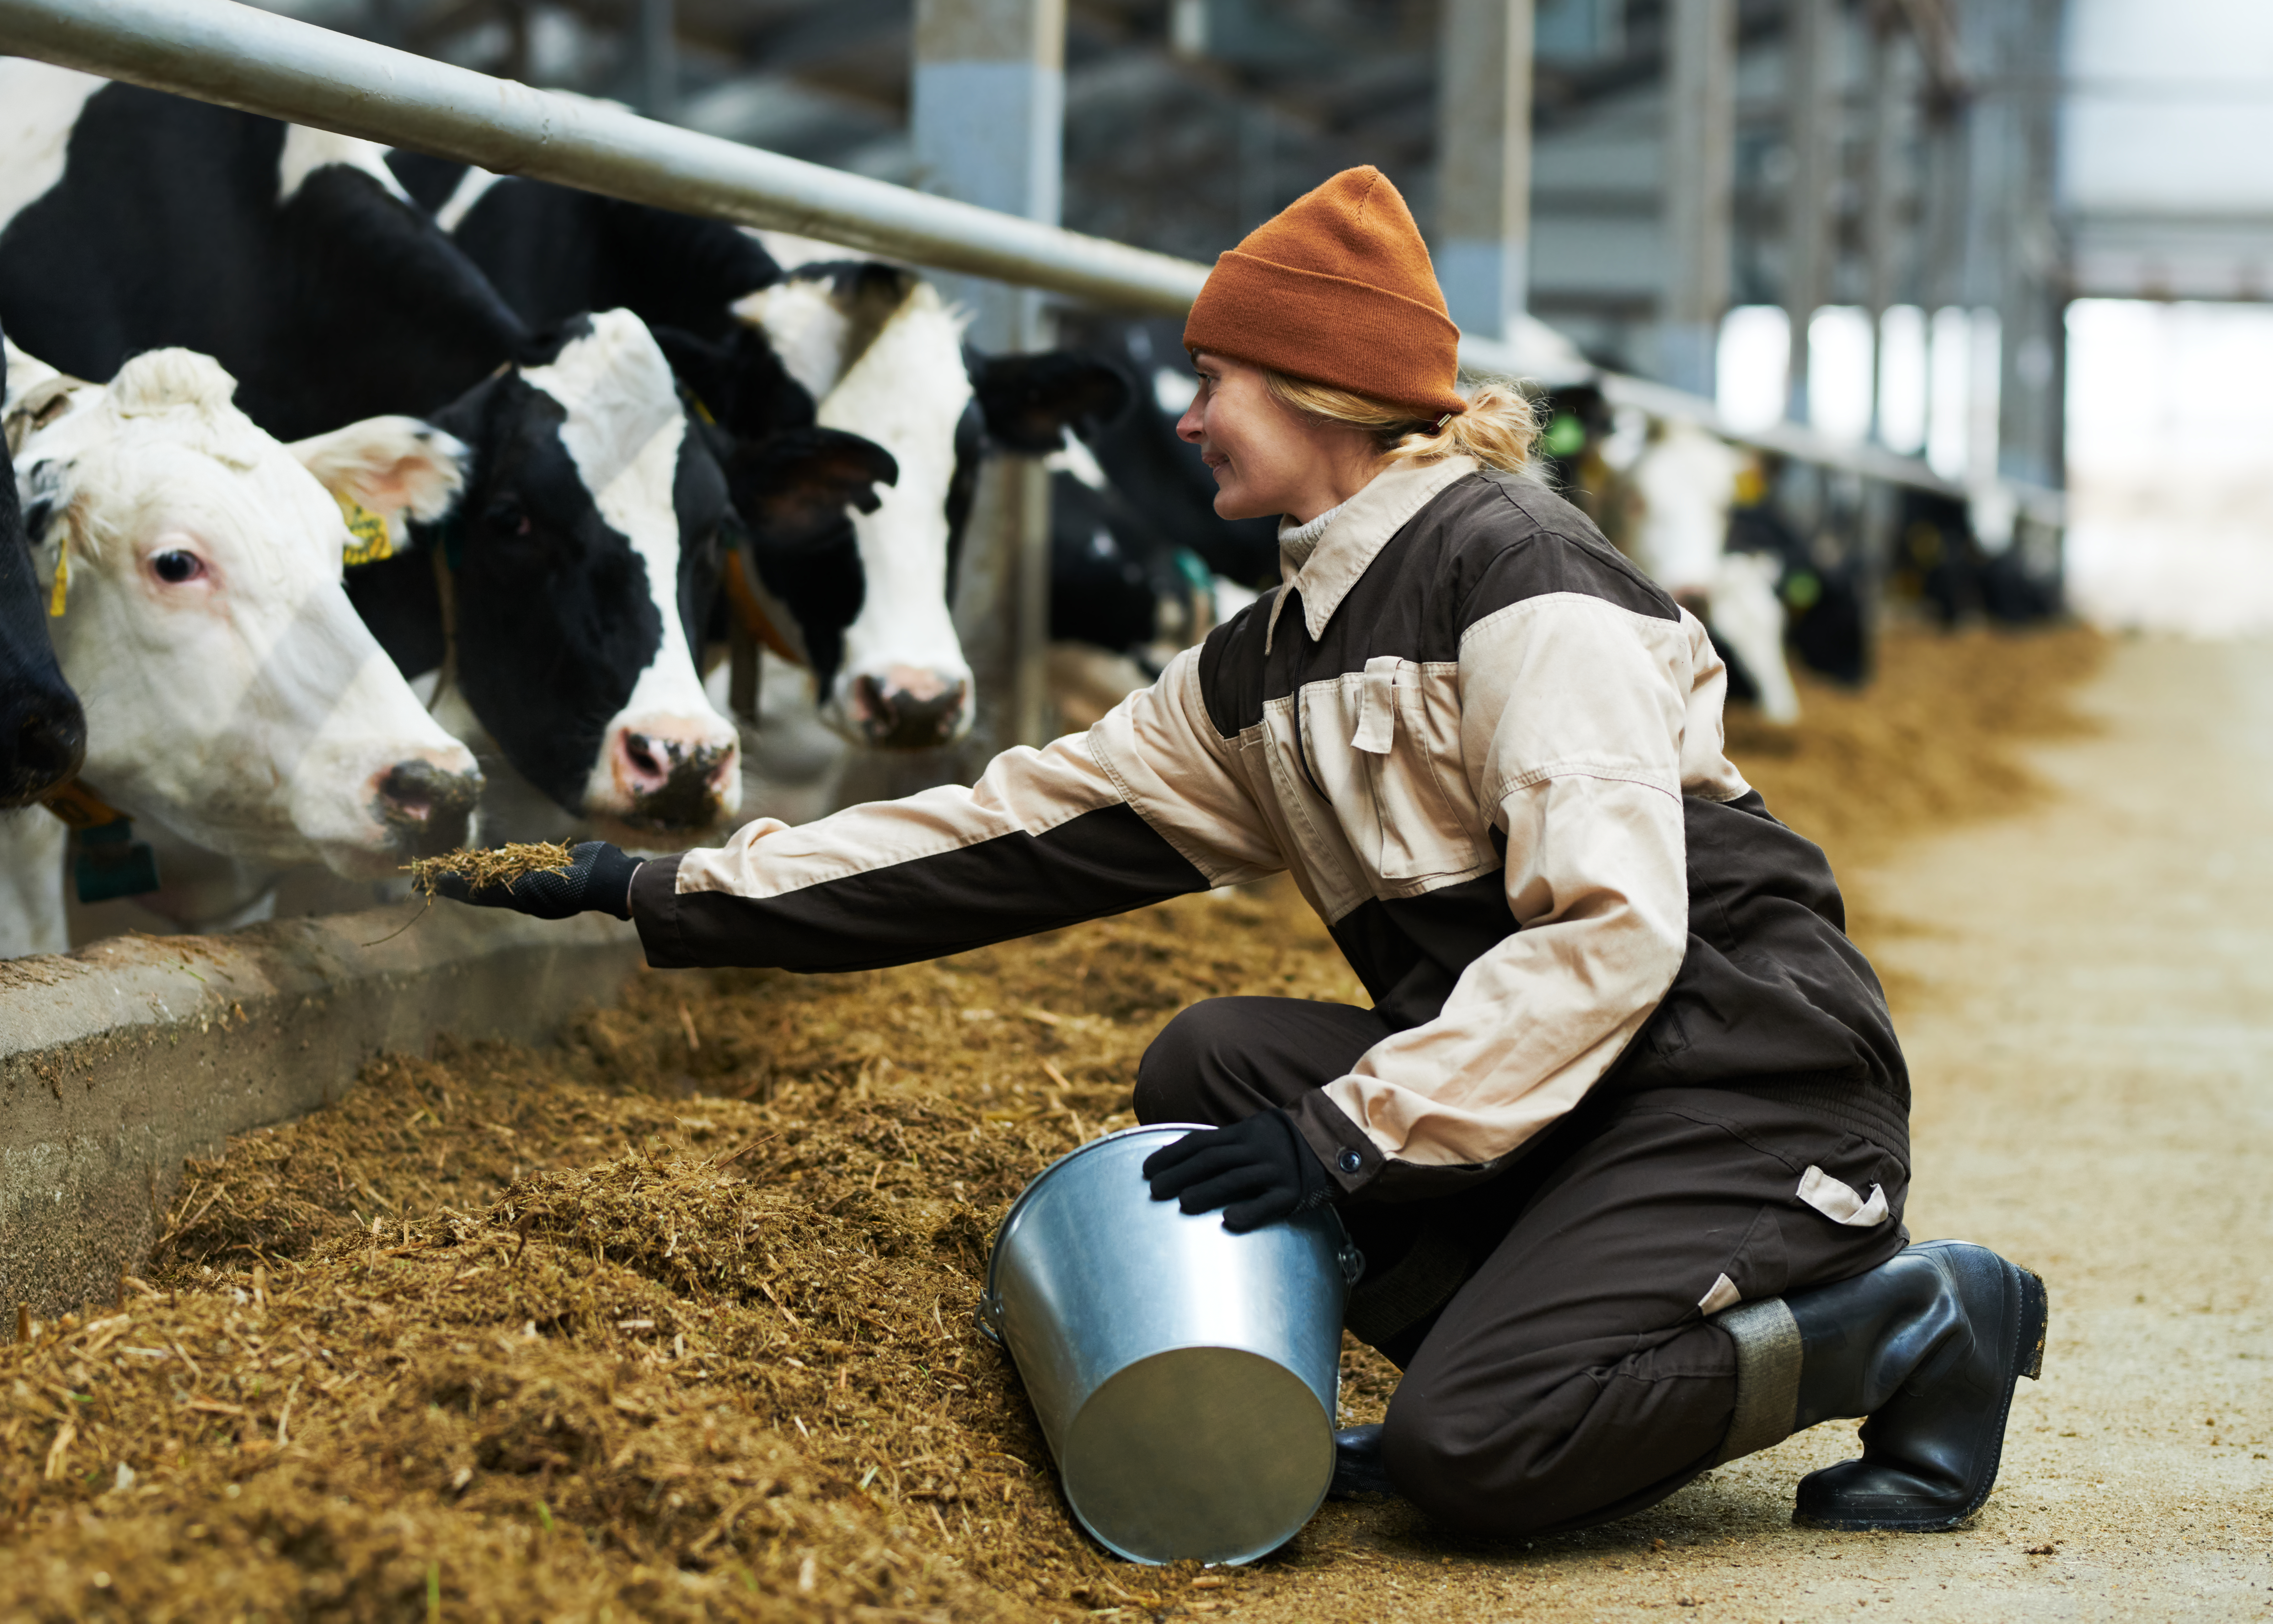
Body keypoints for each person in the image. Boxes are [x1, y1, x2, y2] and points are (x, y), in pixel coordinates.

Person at [432, 168, 2046, 1538]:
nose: (1187, 414)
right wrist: (657, 888)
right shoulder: (1266, 659)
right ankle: (1524, 1343)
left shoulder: (1526, 574)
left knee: (1469, 1452)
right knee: (1214, 1060)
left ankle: (1903, 1323)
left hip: (1739, 1079)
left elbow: (1613, 933)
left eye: (1222, 379)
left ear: (1324, 386)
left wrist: (1356, 1137)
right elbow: (1007, 828)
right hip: (1568, 1091)